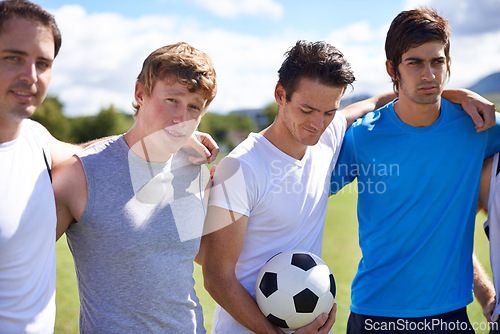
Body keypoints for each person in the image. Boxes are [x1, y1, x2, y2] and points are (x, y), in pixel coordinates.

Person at [198, 39, 493, 334]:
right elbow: (216, 277)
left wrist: (456, 94)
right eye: (307, 109)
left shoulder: (328, 136)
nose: (317, 123)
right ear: (280, 94)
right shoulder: (240, 168)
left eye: (329, 112)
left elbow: (382, 100)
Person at [330, 7, 500, 333]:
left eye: (437, 61)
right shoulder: (363, 136)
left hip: (449, 317)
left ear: (448, 63)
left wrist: (486, 292)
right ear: (392, 68)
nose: (429, 74)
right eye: (415, 62)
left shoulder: (478, 125)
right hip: (373, 316)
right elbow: (306, 188)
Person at [52, 42, 218, 333]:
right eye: (171, 100)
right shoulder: (81, 174)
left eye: (194, 107)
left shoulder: (193, 170)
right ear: (140, 93)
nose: (181, 118)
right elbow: (20, 263)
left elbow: (187, 256)